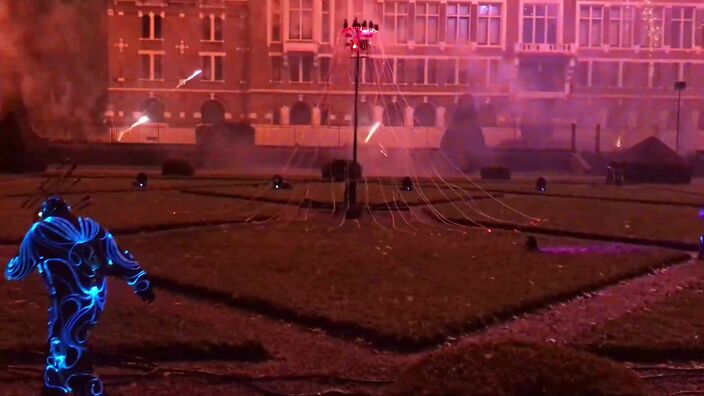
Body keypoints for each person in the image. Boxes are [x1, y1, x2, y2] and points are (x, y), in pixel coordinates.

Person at [4, 196, 155, 396]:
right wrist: (140, 282)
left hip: (68, 298)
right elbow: (119, 257)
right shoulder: (93, 228)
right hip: (95, 296)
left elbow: (17, 270)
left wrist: (17, 256)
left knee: (69, 346)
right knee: (62, 340)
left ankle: (89, 388)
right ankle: (54, 387)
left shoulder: (40, 231)